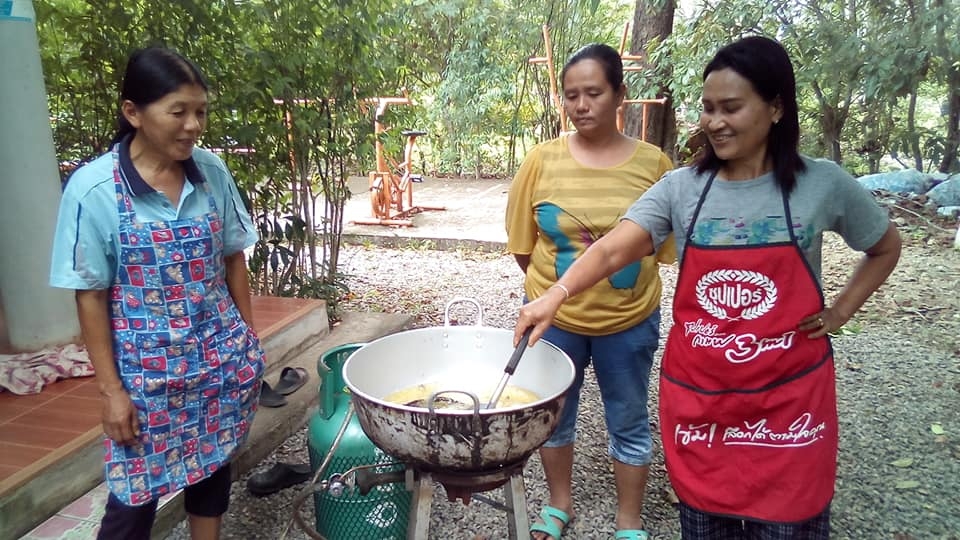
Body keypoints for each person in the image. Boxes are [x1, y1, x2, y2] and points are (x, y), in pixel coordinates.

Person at [515, 35, 902, 539]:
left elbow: (884, 246)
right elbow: (610, 251)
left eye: (731, 108)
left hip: (789, 400)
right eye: (708, 108)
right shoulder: (682, 188)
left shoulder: (822, 184)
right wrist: (555, 294)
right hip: (703, 398)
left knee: (788, 522)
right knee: (706, 522)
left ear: (776, 107)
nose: (714, 122)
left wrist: (841, 311)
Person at [49, 46, 264, 540]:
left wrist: (248, 341)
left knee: (212, 468)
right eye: (178, 112)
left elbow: (233, 256)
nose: (193, 126)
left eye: (201, 112)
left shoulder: (211, 172)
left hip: (218, 360)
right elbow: (90, 295)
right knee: (133, 498)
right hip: (146, 379)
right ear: (133, 112)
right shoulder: (94, 190)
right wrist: (111, 392)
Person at [506, 43, 674, 540]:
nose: (581, 105)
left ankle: (629, 519)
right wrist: (552, 292)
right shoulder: (540, 161)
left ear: (620, 94)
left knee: (629, 418)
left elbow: (659, 250)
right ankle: (559, 504)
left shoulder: (654, 165)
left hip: (629, 320)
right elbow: (523, 246)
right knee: (553, 416)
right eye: (571, 95)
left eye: (594, 93)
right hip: (553, 323)